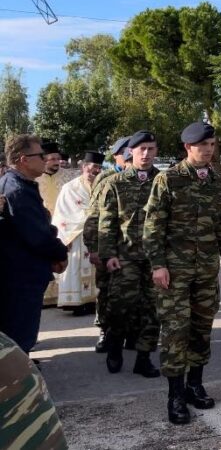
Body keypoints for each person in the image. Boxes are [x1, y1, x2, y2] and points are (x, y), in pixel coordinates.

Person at [143, 122, 221, 424]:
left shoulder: (217, 179)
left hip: (206, 269)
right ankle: (175, 395)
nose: (209, 150)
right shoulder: (168, 180)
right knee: (175, 330)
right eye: (202, 145)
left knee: (201, 328)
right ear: (188, 147)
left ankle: (195, 385)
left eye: (212, 144)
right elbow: (153, 226)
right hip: (174, 272)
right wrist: (158, 264)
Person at [96, 131, 162, 378]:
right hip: (125, 257)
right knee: (120, 307)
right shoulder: (116, 183)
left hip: (155, 258)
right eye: (141, 149)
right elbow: (107, 222)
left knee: (153, 310)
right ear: (131, 152)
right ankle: (114, 348)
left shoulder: (163, 181)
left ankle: (144, 358)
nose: (146, 154)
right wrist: (107, 254)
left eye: (151, 149)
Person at [0, 135, 69, 352]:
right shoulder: (17, 189)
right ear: (24, 160)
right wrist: (60, 252)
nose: (45, 158)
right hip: (21, 276)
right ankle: (20, 379)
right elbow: (37, 236)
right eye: (40, 155)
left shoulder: (20, 184)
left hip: (21, 272)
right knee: (20, 334)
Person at [84, 135, 131, 353]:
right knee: (106, 291)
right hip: (108, 246)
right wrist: (93, 247)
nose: (132, 154)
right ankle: (105, 331)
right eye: (127, 151)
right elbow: (93, 215)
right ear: (117, 155)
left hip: (132, 249)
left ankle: (133, 333)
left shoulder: (142, 177)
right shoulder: (106, 177)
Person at [52, 150, 103, 312]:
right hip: (77, 236)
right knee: (77, 269)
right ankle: (77, 303)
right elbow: (63, 213)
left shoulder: (104, 185)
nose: (95, 170)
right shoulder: (70, 187)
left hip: (99, 234)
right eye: (92, 167)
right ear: (84, 167)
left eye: (98, 167)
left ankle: (95, 301)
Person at [36, 141, 73, 216]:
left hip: (63, 219)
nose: (57, 162)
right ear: (44, 160)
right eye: (53, 159)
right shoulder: (35, 178)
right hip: (41, 219)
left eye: (58, 159)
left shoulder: (70, 177)